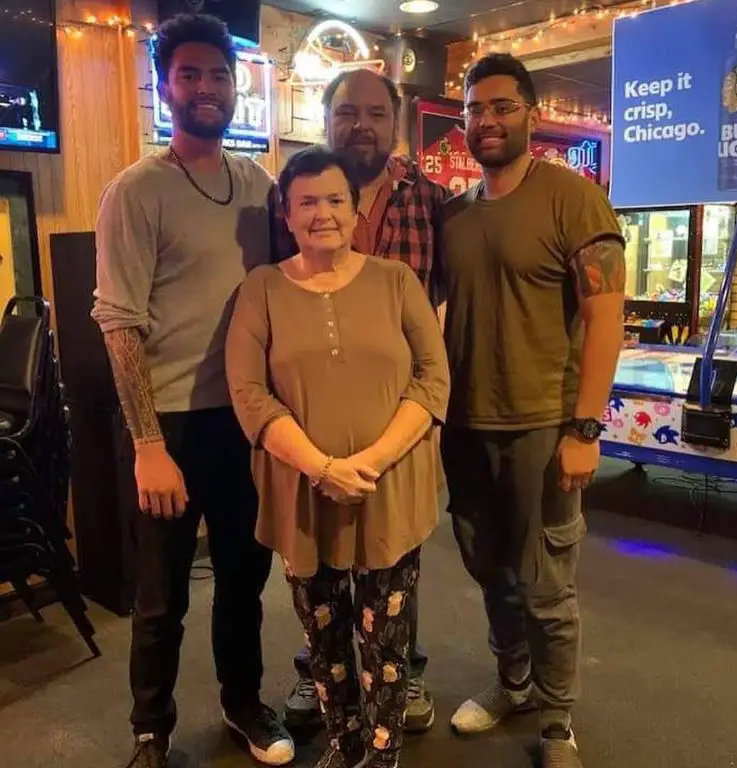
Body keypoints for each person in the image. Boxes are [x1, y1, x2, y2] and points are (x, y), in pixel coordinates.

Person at [91, 14, 294, 768]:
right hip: (166, 427)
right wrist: (147, 445)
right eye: (189, 75)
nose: (205, 88)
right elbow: (118, 324)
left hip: (243, 421)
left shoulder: (259, 185)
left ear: (235, 87)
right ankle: (151, 731)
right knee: (161, 597)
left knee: (244, 581)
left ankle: (243, 706)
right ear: (164, 86)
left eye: (218, 75)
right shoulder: (135, 191)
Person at [226, 145, 449, 768]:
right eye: (306, 202)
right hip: (303, 491)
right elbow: (249, 395)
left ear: (356, 211)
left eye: (334, 200)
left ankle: (381, 756)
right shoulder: (261, 289)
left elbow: (433, 381)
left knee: (387, 645)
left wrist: (371, 461)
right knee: (324, 641)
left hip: (391, 490)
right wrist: (322, 467)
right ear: (286, 214)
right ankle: (343, 745)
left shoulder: (396, 282)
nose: (321, 213)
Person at [439, 54, 626, 768]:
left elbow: (605, 318)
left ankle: (556, 721)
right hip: (465, 425)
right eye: (475, 110)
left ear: (532, 112)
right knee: (490, 569)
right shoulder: (454, 214)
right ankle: (512, 681)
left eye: (501, 106)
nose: (486, 121)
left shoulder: (571, 199)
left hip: (545, 427)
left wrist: (584, 427)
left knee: (548, 583)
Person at [271, 68, 448, 734]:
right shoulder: (286, 198)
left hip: (397, 421)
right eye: (347, 112)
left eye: (376, 113)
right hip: (312, 428)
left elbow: (444, 308)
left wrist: (426, 408)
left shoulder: (430, 200)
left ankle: (403, 675)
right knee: (317, 560)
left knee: (393, 559)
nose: (361, 125)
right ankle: (322, 674)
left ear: (396, 122)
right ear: (327, 117)